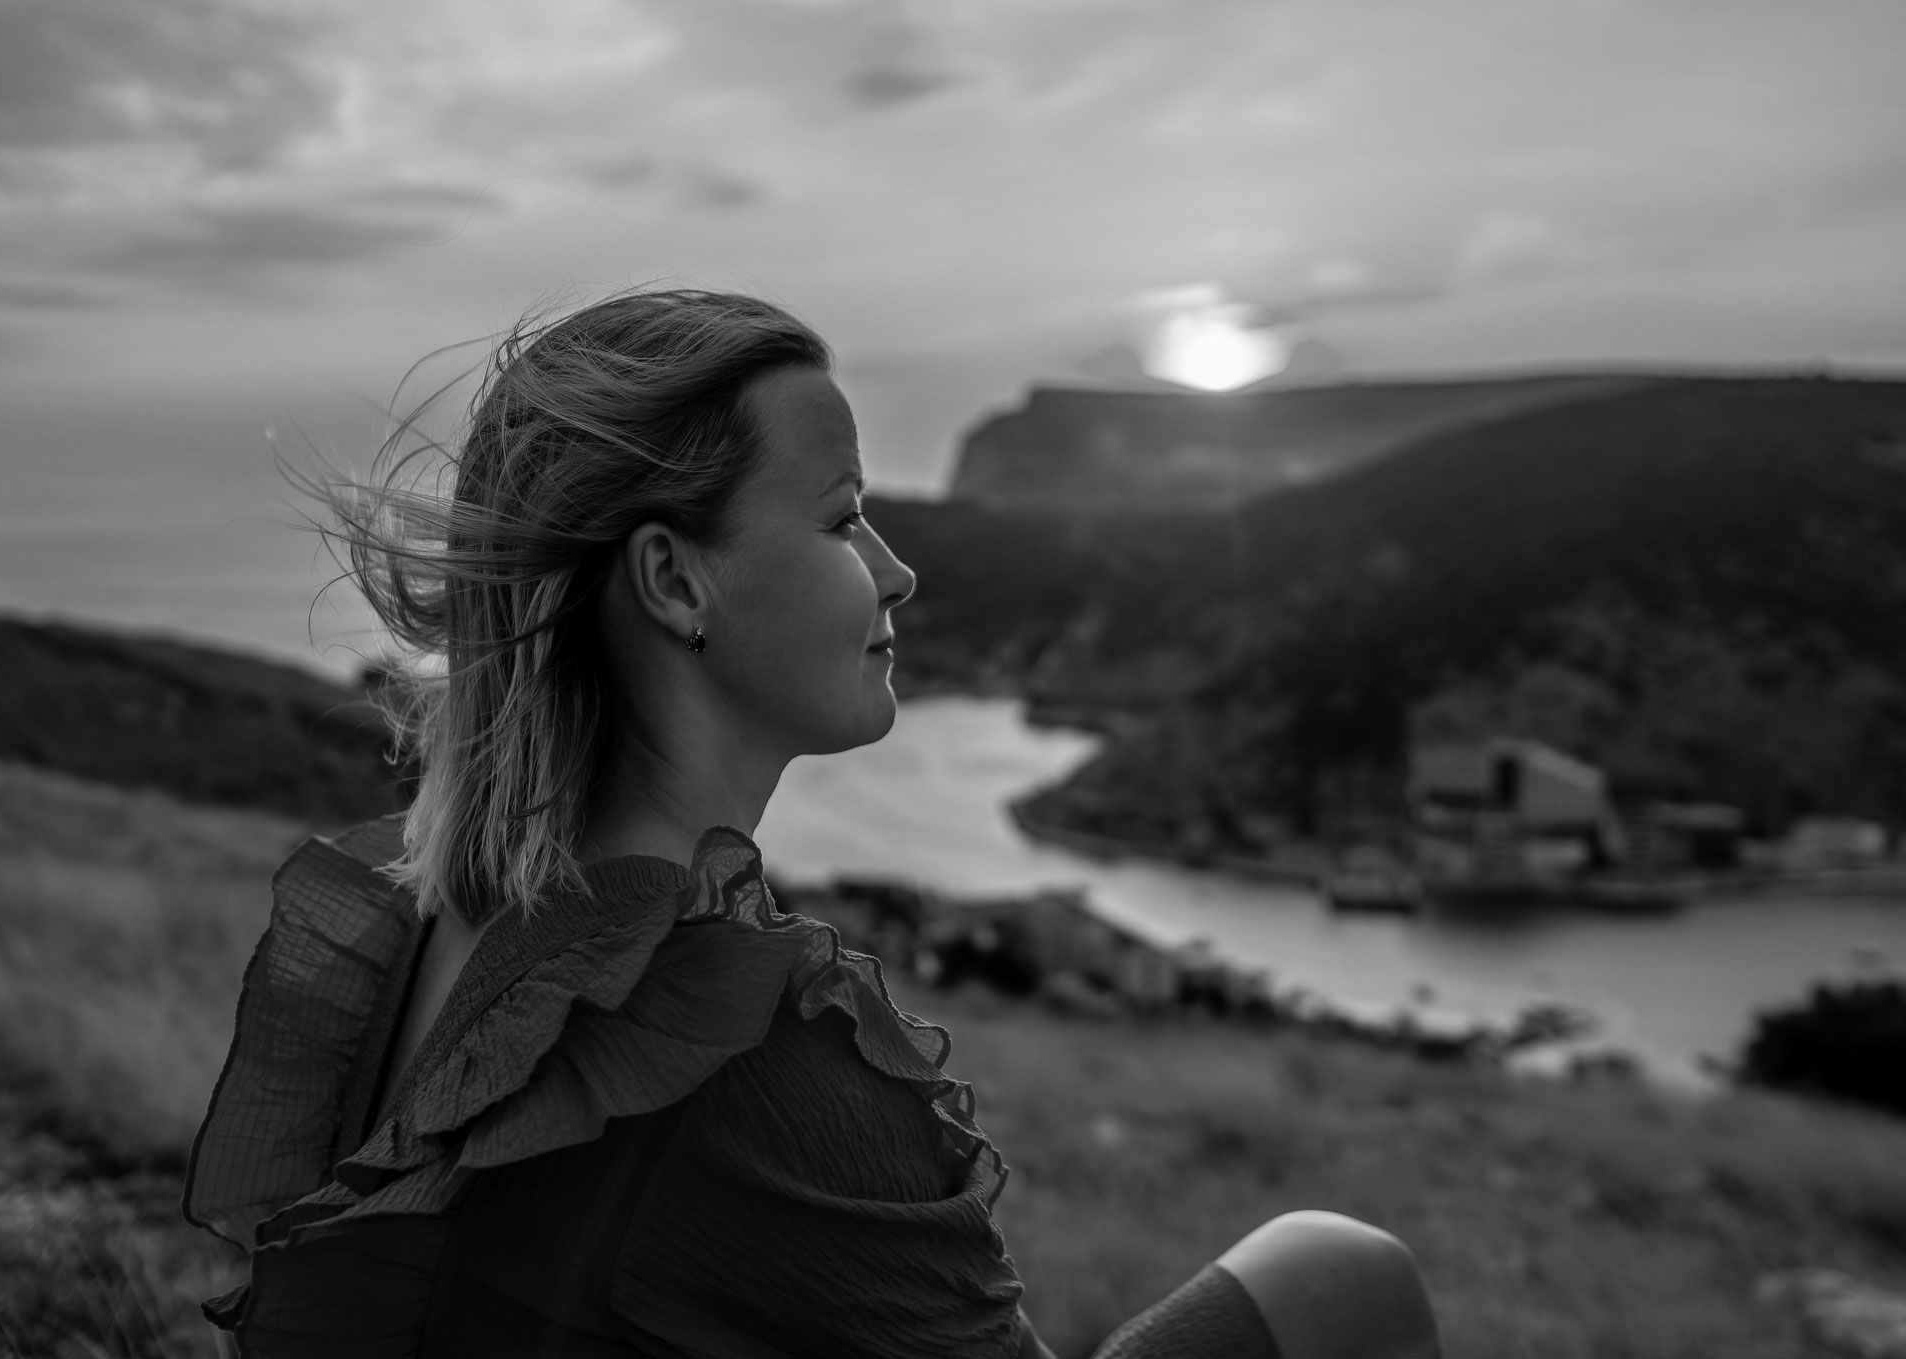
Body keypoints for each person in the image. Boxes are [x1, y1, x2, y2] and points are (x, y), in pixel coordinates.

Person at [183, 288, 1442, 1358]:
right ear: (676, 580)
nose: (895, 568)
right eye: (842, 516)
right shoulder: (747, 1049)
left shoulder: (418, 932)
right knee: (1343, 1270)